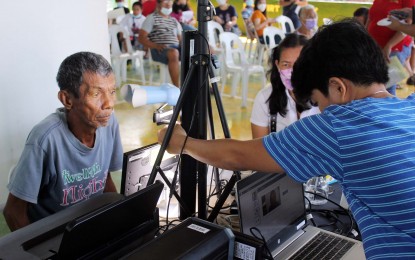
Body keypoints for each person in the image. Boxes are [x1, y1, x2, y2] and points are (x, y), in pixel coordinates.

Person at [158, 20, 415, 259]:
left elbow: (237, 155)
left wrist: (182, 142)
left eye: (319, 101)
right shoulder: (410, 107)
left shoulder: (339, 126)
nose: (322, 110)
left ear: (338, 87)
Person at [3, 52, 123, 231]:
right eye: (96, 93)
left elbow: (104, 177)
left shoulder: (108, 123)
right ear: (67, 99)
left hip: (87, 224)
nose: (109, 104)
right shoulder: (45, 139)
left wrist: (119, 217)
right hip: (55, 234)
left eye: (112, 91)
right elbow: (13, 211)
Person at [251, 34, 319, 138]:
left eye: (299, 64)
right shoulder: (265, 98)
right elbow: (258, 148)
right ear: (277, 65)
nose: (292, 71)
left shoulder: (325, 98)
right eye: (286, 64)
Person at [367, 0, 415, 94]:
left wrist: (389, 45)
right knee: (373, 84)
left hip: (396, 47)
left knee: (387, 86)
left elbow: (409, 24)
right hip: (375, 46)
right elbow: (371, 18)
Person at [138, 0, 182, 87]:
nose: (168, 6)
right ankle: (178, 89)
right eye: (166, 3)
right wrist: (155, 45)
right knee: (174, 52)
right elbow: (141, 38)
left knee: (199, 51)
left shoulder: (173, 20)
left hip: (175, 48)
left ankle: (201, 85)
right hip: (159, 50)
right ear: (158, 4)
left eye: (170, 4)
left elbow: (181, 38)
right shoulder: (152, 18)